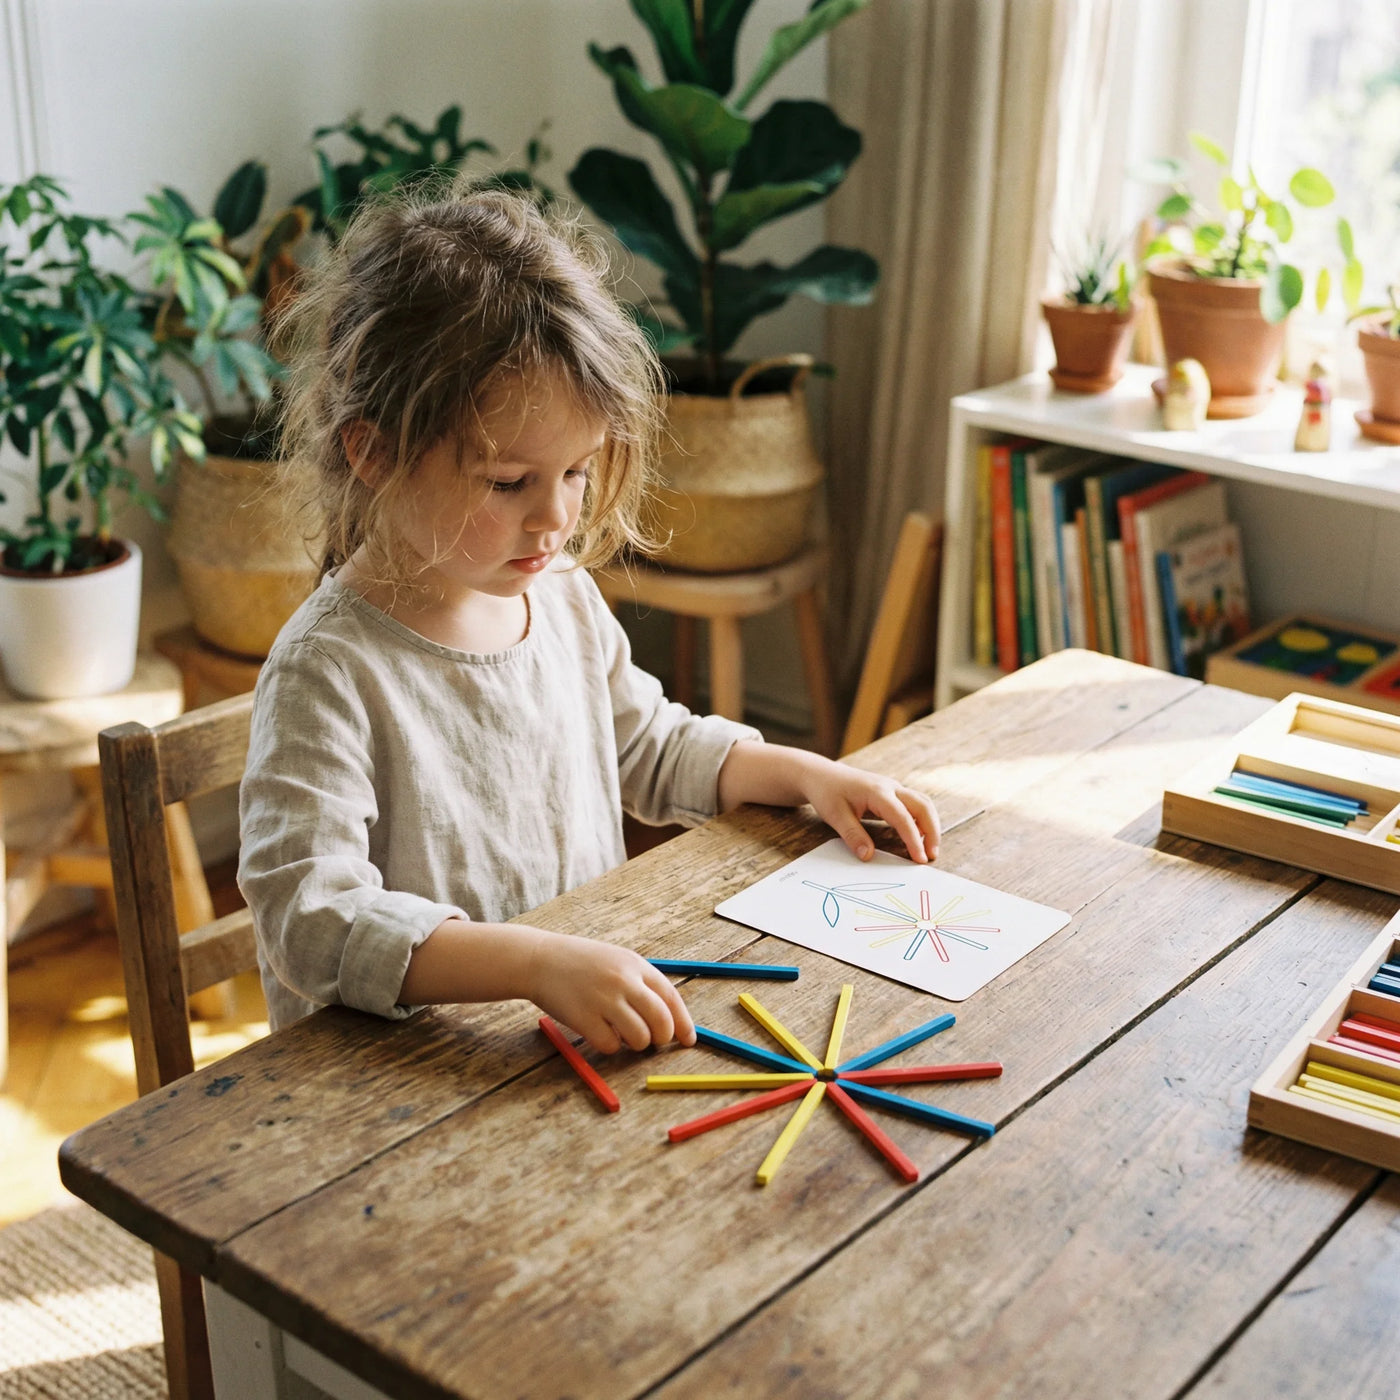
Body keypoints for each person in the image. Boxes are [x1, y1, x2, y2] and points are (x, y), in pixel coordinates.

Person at [239, 183, 941, 1056]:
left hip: (564, 1043)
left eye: (576, 472)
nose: (555, 518)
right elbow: (312, 918)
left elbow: (647, 746)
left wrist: (801, 775)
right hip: (402, 1088)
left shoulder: (558, 593)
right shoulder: (329, 670)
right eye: (509, 482)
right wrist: (534, 964)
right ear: (373, 450)